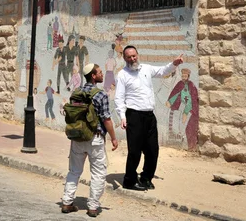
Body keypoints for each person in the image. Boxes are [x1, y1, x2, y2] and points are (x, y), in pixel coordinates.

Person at [114, 46, 184, 191]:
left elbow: (163, 71)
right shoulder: (122, 75)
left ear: (137, 55)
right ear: (124, 58)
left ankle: (146, 178)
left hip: (149, 115)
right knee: (135, 151)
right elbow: (119, 98)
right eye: (129, 57)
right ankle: (129, 180)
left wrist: (174, 63)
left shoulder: (146, 69)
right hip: (133, 115)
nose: (132, 59)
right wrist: (122, 116)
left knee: (153, 149)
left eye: (134, 56)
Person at [61, 63, 118, 217]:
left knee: (74, 171)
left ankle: (67, 202)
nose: (102, 75)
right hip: (95, 138)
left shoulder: (76, 92)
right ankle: (92, 207)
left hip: (77, 138)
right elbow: (106, 119)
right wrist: (113, 138)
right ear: (93, 76)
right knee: (98, 173)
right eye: (99, 73)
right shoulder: (101, 95)